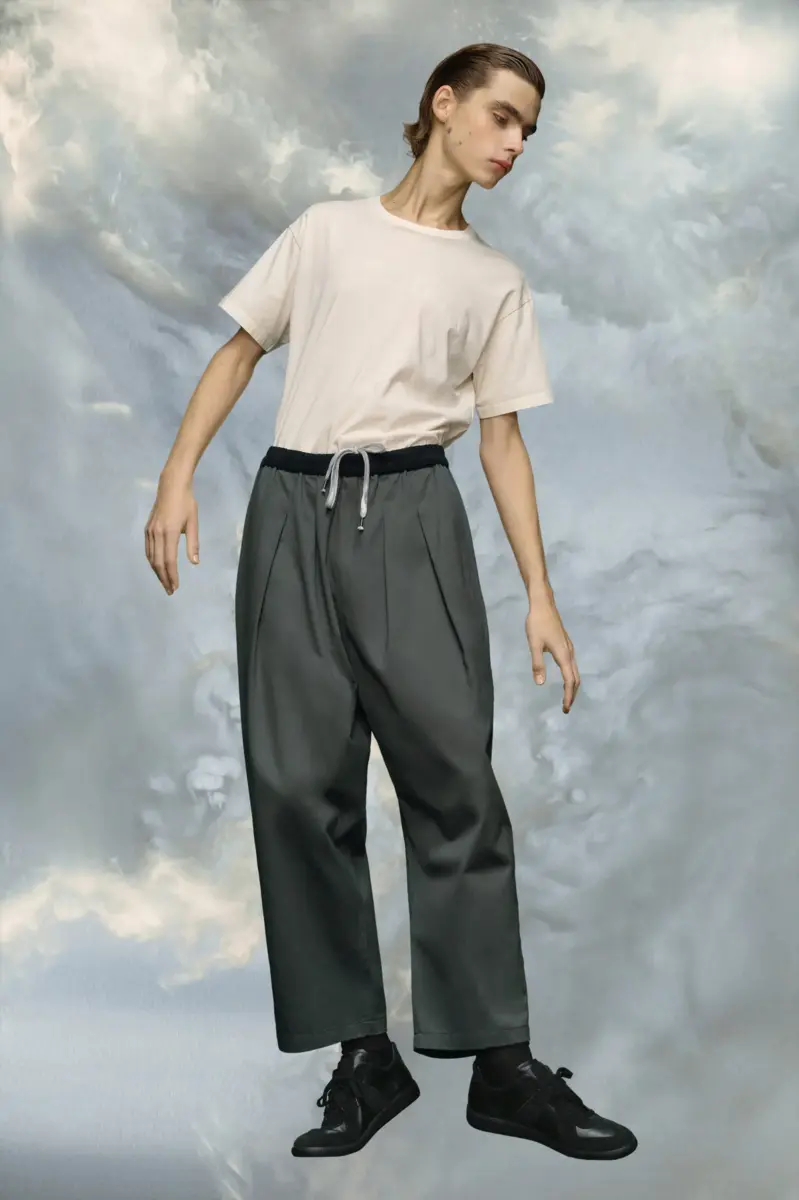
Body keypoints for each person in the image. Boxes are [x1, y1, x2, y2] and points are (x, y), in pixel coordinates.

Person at [145, 42, 637, 1162]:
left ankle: (501, 1067)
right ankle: (363, 1061)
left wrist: (541, 597)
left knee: (454, 783)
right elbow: (240, 351)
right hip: (290, 506)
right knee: (294, 786)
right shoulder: (327, 232)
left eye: (529, 129)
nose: (515, 143)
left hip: (413, 513)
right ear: (442, 104)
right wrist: (177, 476)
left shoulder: (493, 281)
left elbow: (502, 441)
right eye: (502, 116)